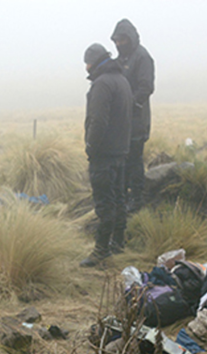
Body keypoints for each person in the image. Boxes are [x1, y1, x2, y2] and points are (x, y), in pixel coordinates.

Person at [80, 43, 133, 267]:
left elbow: (98, 121)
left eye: (87, 63)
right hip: (121, 151)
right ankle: (118, 243)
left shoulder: (102, 84)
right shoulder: (122, 80)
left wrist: (91, 146)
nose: (85, 68)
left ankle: (101, 250)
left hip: (104, 154)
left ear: (93, 62)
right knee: (119, 199)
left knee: (104, 203)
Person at [111, 19, 155, 214]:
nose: (119, 44)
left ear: (130, 38)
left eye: (122, 40)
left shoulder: (142, 57)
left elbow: (146, 87)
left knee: (134, 160)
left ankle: (137, 199)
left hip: (136, 121)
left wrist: (129, 105)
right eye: (117, 41)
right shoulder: (121, 59)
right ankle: (125, 195)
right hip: (121, 122)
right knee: (123, 158)